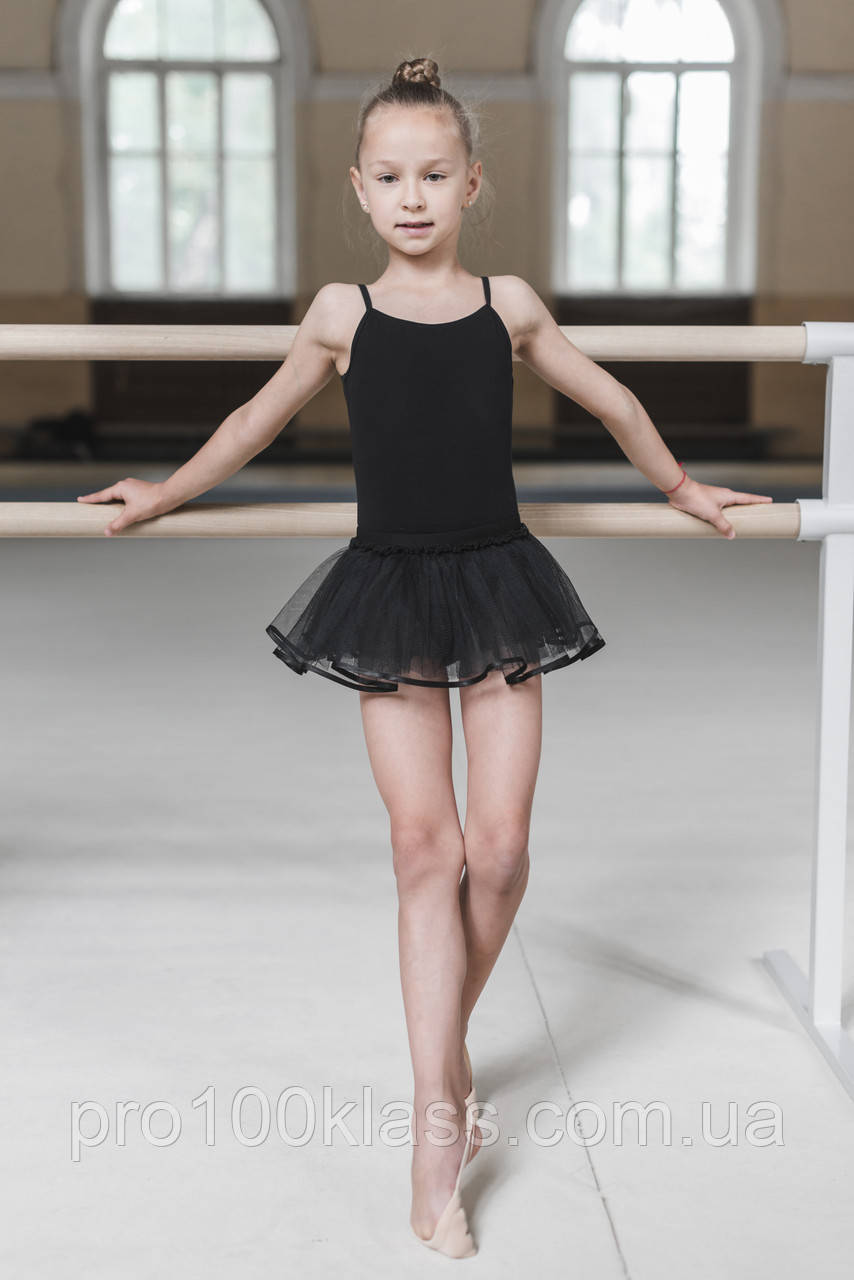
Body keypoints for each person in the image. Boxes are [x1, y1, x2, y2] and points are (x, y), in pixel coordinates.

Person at [77, 55, 773, 1259]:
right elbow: (253, 420)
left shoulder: (508, 305)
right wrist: (164, 491)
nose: (412, 196)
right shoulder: (340, 314)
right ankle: (433, 1124)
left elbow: (607, 395)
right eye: (391, 176)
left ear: (471, 184)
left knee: (497, 851)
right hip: (390, 592)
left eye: (434, 175)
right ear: (358, 187)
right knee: (426, 850)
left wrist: (680, 485)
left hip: (498, 583)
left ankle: (444, 1053)